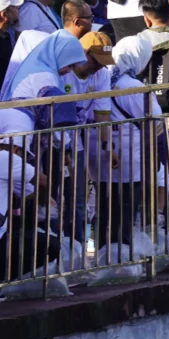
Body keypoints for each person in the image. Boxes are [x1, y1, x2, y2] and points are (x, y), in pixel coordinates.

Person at [0, 85, 77, 278]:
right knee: (49, 245)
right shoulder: (6, 159)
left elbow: (29, 191)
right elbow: (42, 182)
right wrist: (45, 204)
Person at [95, 37, 157, 248]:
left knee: (104, 208)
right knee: (127, 208)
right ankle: (122, 255)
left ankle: (104, 253)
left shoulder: (102, 78)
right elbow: (154, 118)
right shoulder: (134, 86)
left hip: (101, 151)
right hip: (131, 156)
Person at [60, 31, 116, 245]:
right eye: (97, 60)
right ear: (84, 53)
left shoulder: (101, 75)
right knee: (54, 195)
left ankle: (77, 246)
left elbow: (103, 112)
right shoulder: (63, 72)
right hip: (51, 139)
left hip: (77, 139)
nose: (101, 66)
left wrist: (107, 146)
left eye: (104, 62)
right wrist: (62, 150)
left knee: (78, 196)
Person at [1, 31, 87, 101]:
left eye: (73, 66)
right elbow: (54, 116)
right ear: (58, 55)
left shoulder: (37, 69)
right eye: (69, 65)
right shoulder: (45, 76)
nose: (69, 71)